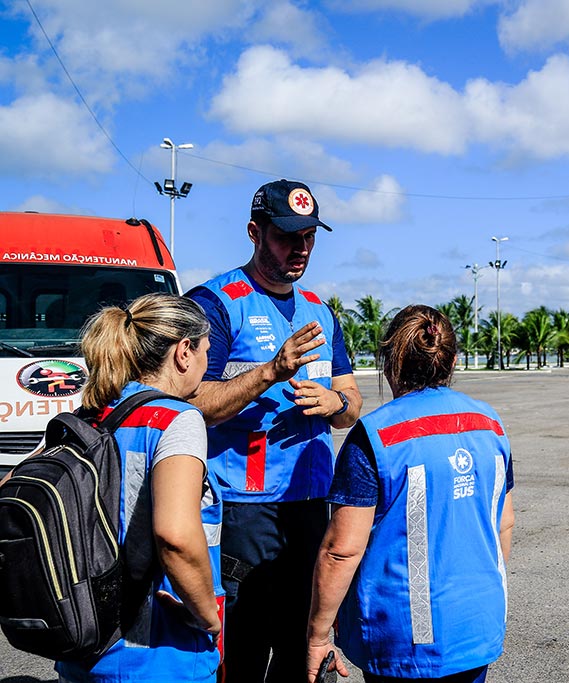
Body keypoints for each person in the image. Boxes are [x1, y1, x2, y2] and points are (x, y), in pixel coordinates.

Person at [186, 179, 363, 683]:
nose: (300, 248)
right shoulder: (217, 302)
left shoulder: (320, 310)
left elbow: (351, 405)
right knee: (242, 647)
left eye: (308, 236)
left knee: (300, 642)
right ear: (254, 233)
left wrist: (335, 402)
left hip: (311, 502)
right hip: (245, 505)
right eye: (287, 235)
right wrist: (268, 371)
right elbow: (194, 403)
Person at [307, 305, 515, 683]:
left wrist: (317, 636)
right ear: (451, 361)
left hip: (404, 636)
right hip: (477, 623)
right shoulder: (491, 424)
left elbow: (342, 549)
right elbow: (504, 522)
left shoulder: (375, 436)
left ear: (390, 363)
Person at [56, 293, 223, 682]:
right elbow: (176, 536)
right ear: (184, 352)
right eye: (205, 351)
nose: (206, 364)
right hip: (156, 655)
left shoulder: (87, 417)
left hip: (82, 646)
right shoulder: (175, 420)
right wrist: (207, 618)